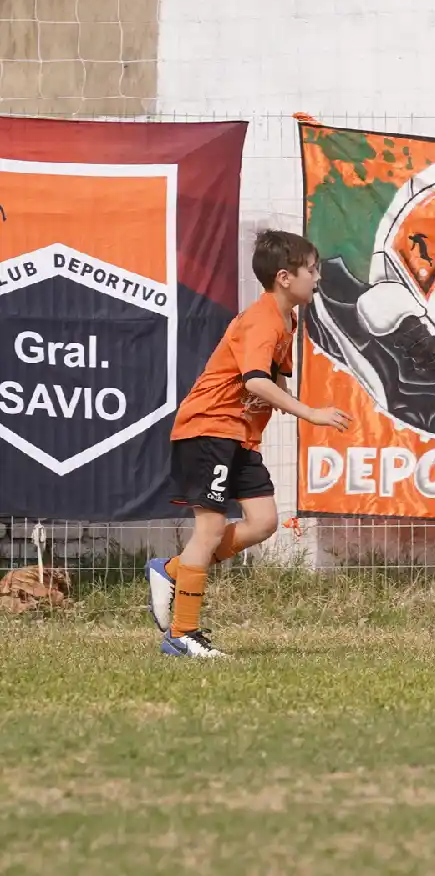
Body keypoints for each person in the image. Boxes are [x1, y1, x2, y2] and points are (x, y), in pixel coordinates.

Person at [144, 230, 351, 658]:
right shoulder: (262, 319)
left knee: (263, 522)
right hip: (210, 428)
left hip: (239, 435)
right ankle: (182, 635)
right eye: (312, 270)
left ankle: (172, 570)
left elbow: (272, 376)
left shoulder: (287, 319)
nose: (317, 278)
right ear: (284, 277)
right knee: (211, 528)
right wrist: (310, 413)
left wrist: (267, 400)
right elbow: (254, 378)